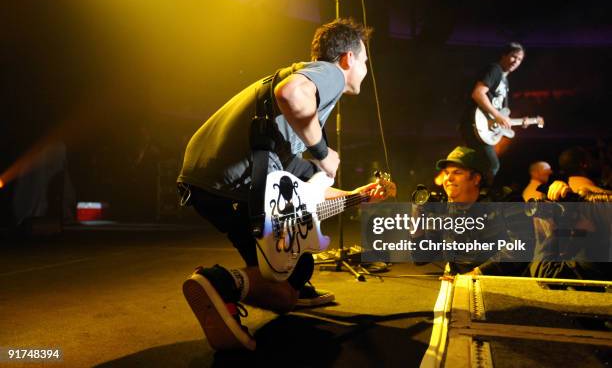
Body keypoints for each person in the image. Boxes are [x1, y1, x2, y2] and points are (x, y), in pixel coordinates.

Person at [177, 18, 391, 351]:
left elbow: (297, 178)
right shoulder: (329, 74)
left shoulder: (301, 91)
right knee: (292, 274)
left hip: (208, 183)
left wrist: (355, 196)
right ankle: (221, 282)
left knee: (291, 276)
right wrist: (323, 153)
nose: (365, 69)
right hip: (235, 182)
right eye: (365, 61)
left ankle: (225, 290)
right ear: (348, 59)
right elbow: (290, 93)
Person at [434, 146, 532, 276]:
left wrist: (478, 273)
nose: (449, 178)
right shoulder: (445, 206)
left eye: (457, 172)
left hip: (498, 285)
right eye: (446, 173)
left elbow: (521, 247)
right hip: (457, 280)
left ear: (476, 179)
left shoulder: (506, 201)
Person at [459, 42, 525, 181]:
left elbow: (502, 112)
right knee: (491, 165)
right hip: (474, 125)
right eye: (514, 56)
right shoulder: (494, 69)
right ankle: (481, 199)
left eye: (520, 59)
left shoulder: (505, 81)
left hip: (483, 127)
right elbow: (478, 93)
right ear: (504, 55)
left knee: (478, 167)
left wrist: (519, 122)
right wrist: (497, 115)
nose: (516, 61)